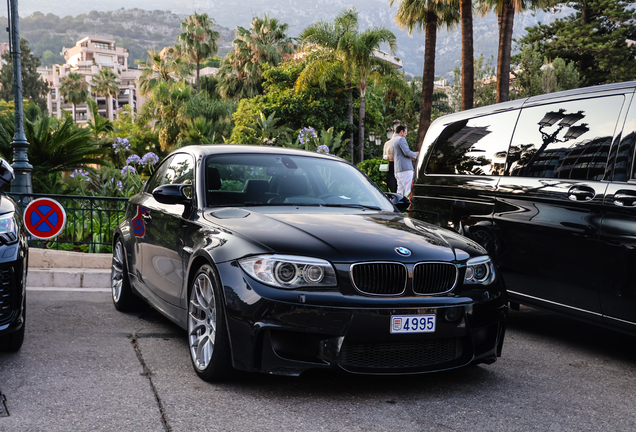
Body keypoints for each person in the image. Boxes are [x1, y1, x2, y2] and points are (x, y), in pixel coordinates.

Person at [389, 125, 418, 197]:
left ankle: (399, 207)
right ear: (401, 132)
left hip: (397, 170)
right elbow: (407, 152)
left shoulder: (392, 142)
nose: (405, 136)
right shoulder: (401, 139)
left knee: (400, 192)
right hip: (405, 169)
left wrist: (410, 157)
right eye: (405, 134)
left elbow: (398, 155)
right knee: (408, 190)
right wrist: (416, 154)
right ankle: (408, 207)